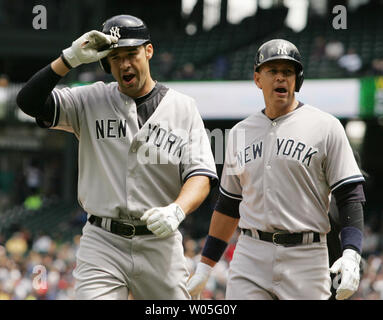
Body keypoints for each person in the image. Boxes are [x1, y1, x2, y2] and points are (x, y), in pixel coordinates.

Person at [16, 14, 218, 300]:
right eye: (116, 56)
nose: (124, 63)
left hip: (159, 243)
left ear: (148, 51)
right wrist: (69, 58)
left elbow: (200, 175)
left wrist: (177, 210)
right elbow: (28, 102)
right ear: (106, 62)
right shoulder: (88, 100)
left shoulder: (183, 108)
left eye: (132, 53)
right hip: (103, 241)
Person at [186, 39, 366, 300]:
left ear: (298, 80)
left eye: (288, 71)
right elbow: (227, 206)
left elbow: (350, 195)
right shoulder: (239, 133)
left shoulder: (326, 126)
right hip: (250, 253)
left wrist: (351, 253)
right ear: (258, 79)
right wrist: (205, 266)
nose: (281, 77)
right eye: (273, 71)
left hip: (306, 257)